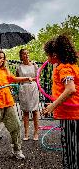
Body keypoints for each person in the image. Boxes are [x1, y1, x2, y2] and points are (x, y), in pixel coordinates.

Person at [42, 35, 79, 168]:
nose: (47, 58)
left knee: (71, 152)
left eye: (48, 55)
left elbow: (70, 89)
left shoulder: (64, 68)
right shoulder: (69, 65)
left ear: (55, 55)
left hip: (71, 115)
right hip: (72, 113)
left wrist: (53, 105)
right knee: (72, 149)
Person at [16, 49, 40, 141]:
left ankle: (36, 133)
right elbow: (17, 79)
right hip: (24, 89)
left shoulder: (34, 66)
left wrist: (32, 79)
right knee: (25, 112)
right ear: (21, 56)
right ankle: (26, 133)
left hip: (33, 88)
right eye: (24, 54)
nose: (26, 55)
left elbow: (38, 78)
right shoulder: (19, 67)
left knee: (35, 111)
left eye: (27, 53)